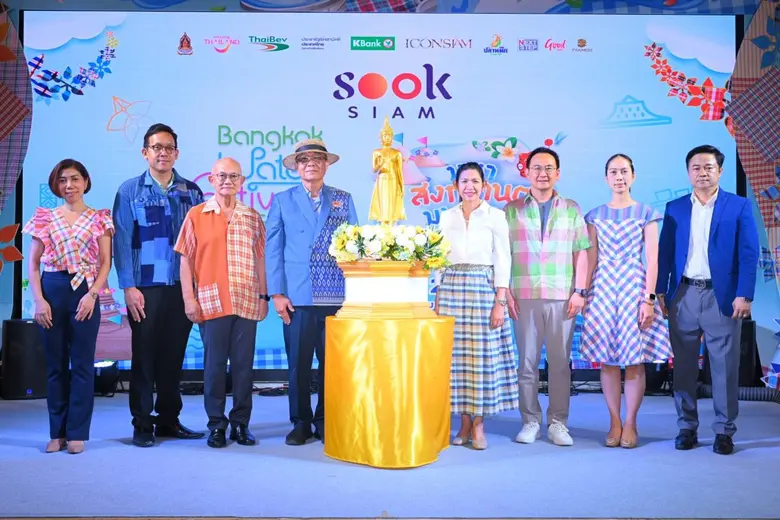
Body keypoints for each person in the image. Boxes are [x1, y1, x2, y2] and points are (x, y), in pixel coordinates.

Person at [657, 144, 758, 455]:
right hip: (683, 295)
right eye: (696, 168)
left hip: (722, 296)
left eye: (708, 167)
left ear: (720, 171)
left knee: (724, 367)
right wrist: (661, 291)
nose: (702, 172)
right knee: (684, 366)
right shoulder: (675, 208)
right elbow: (665, 252)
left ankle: (724, 431)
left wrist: (745, 294)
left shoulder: (738, 206)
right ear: (689, 172)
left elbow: (749, 252)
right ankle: (686, 427)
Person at [113, 123, 205, 447]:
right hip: (144, 287)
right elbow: (122, 241)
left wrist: (196, 288)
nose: (162, 152)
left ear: (176, 153)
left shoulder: (192, 192)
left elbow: (199, 244)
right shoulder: (129, 191)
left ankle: (168, 420)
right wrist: (128, 286)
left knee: (172, 357)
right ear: (145, 152)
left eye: (168, 147)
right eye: (156, 147)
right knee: (144, 358)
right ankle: (142, 425)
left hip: (181, 287)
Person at [265, 138, 358, 446]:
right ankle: (301, 422)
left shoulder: (343, 199)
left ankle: (326, 419)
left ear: (326, 164)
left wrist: (355, 293)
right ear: (297, 166)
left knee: (333, 366)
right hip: (298, 296)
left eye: (318, 158)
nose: (311, 164)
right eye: (305, 160)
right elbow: (272, 249)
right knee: (299, 365)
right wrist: (277, 292)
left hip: (335, 296)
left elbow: (355, 246)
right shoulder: (282, 200)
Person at [580, 154, 673, 449]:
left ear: (633, 176)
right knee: (607, 361)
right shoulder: (594, 215)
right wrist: (583, 292)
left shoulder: (646, 212)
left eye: (624, 171)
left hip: (635, 285)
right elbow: (591, 258)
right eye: (613, 172)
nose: (619, 177)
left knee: (634, 361)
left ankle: (631, 422)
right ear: (606, 178)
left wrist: (648, 299)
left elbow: (653, 258)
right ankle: (614, 422)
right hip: (603, 288)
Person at [176, 158, 269, 448]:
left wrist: (265, 296)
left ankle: (241, 424)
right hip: (211, 301)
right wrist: (188, 299)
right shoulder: (196, 214)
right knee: (214, 366)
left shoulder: (252, 216)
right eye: (221, 176)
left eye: (233, 176)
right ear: (212, 180)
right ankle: (216, 424)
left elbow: (261, 259)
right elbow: (185, 259)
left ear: (242, 182)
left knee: (243, 367)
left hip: (247, 300)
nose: (227, 181)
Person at [23, 159, 114, 454]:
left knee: (83, 365)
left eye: (74, 179)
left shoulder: (100, 218)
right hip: (53, 290)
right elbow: (34, 265)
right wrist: (39, 301)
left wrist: (92, 295)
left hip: (85, 292)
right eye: (63, 180)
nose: (69, 185)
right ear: (56, 185)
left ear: (86, 181)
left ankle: (77, 432)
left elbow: (105, 262)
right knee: (55, 366)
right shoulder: (44, 217)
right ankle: (56, 432)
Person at [504, 147, 591, 447]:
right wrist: (506, 293)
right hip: (524, 295)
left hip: (561, 295)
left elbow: (582, 251)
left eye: (549, 168)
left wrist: (580, 291)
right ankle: (530, 421)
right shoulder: (511, 209)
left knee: (559, 362)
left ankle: (558, 423)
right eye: (536, 168)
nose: (543, 173)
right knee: (526, 364)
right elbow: (503, 255)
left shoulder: (571, 208)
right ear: (526, 172)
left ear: (558, 173)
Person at [435, 162, 519, 450]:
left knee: (481, 359)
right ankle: (464, 422)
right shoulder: (446, 217)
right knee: (456, 360)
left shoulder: (495, 216)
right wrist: (437, 295)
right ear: (456, 186)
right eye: (464, 181)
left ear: (485, 185)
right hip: (451, 289)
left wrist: (500, 301)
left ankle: (479, 423)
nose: (469, 186)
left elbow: (503, 259)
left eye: (474, 181)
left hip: (483, 288)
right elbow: (439, 259)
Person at [368, 117, 405, 225]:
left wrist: (402, 186)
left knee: (392, 204)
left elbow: (399, 171)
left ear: (392, 137)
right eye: (385, 135)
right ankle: (383, 224)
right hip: (382, 180)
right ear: (381, 137)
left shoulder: (396, 153)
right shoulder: (377, 152)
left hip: (393, 179)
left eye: (389, 135)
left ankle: (392, 224)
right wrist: (379, 165)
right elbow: (374, 170)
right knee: (383, 204)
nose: (387, 138)